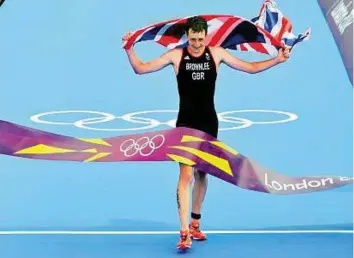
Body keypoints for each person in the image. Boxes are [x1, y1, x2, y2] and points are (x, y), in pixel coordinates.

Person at [122, 16, 290, 250]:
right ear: (187, 36)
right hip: (186, 126)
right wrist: (129, 49)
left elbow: (250, 68)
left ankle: (194, 224)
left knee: (202, 174)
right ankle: (183, 233)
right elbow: (141, 69)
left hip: (209, 124)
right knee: (186, 176)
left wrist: (278, 60)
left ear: (206, 37)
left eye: (201, 39)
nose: (197, 44)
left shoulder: (217, 54)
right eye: (193, 39)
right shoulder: (177, 55)